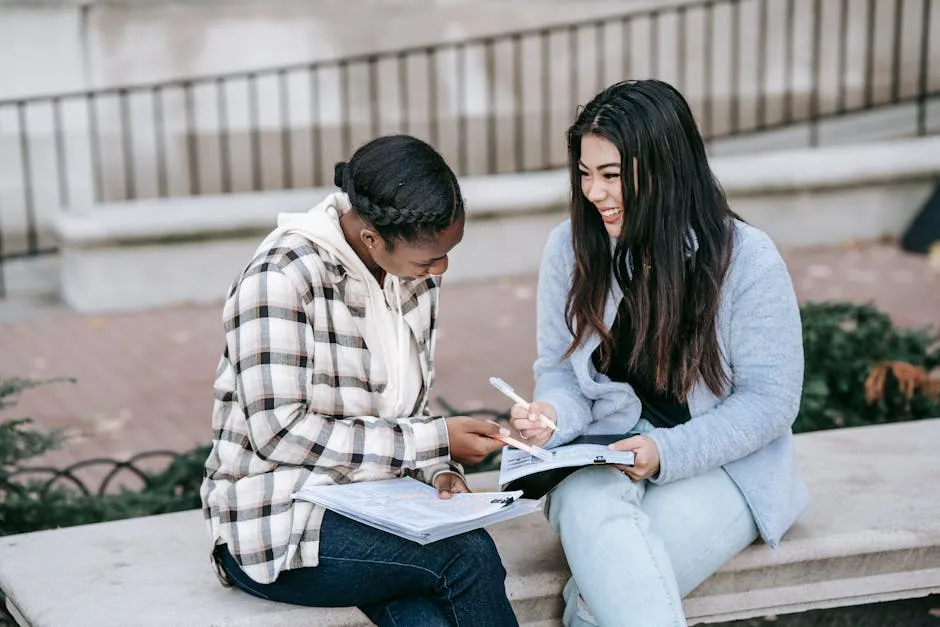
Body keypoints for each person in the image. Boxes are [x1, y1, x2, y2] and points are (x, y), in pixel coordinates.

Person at [509, 80, 808, 626]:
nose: (593, 193)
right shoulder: (570, 248)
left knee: (594, 608)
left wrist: (665, 451)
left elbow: (771, 401)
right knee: (581, 502)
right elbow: (559, 372)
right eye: (584, 174)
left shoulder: (746, 260)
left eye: (611, 175)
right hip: (606, 456)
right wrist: (551, 416)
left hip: (723, 465)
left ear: (665, 168)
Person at [201, 134, 518, 626]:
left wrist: (440, 473)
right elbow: (279, 433)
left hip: (375, 508)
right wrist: (433, 441)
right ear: (372, 238)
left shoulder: (409, 276)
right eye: (429, 259)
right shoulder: (278, 280)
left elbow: (398, 416)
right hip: (276, 522)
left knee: (426, 616)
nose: (442, 268)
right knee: (465, 554)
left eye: (448, 252)